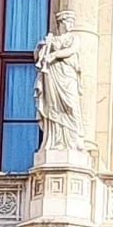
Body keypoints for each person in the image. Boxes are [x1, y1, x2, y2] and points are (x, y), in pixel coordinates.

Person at [34, 11, 84, 152]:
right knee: (54, 107)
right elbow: (38, 56)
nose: (70, 25)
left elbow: (72, 50)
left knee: (72, 105)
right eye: (68, 22)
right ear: (61, 23)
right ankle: (55, 141)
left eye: (72, 22)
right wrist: (42, 47)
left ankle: (74, 139)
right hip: (53, 75)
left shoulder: (74, 38)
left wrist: (54, 54)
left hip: (68, 75)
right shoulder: (53, 40)